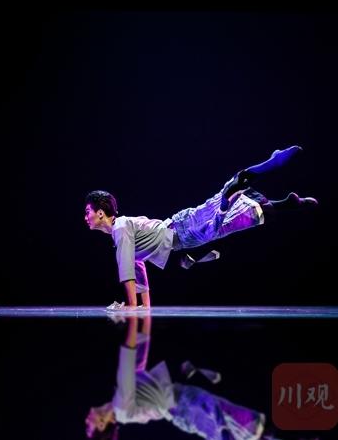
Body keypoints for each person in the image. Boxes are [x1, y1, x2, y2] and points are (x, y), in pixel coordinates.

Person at [84, 146, 317, 310]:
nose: (86, 217)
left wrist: (130, 306)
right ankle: (287, 203)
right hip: (181, 229)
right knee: (235, 220)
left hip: (181, 231)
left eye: (88, 212)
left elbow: (125, 268)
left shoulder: (120, 229)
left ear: (100, 213)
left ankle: (231, 197)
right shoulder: (122, 228)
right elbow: (138, 268)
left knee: (218, 223)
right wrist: (143, 305)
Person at [85, 314, 272, 440]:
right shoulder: (121, 407)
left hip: (183, 404)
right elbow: (128, 355)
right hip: (184, 407)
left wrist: (143, 309)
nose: (86, 421)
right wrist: (134, 316)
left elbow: (138, 351)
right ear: (101, 424)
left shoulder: (121, 405)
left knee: (237, 423)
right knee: (234, 425)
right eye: (88, 427)